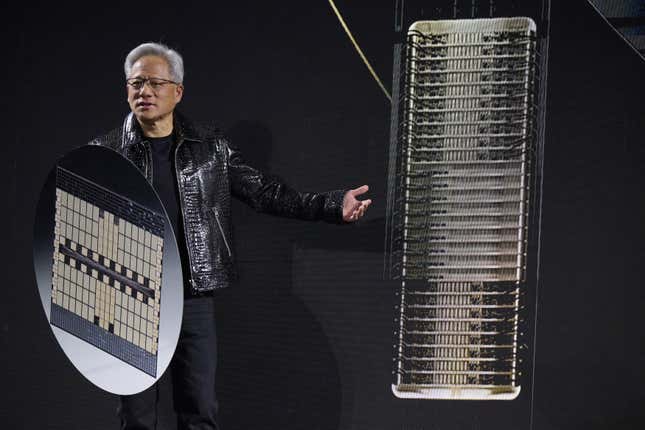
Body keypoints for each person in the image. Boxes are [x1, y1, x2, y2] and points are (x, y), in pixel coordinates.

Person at [91, 42, 371, 430]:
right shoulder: (104, 153)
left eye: (156, 82)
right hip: (132, 300)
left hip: (193, 298)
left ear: (178, 91)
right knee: (136, 418)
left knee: (201, 412)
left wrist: (330, 204)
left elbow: (267, 193)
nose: (145, 92)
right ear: (126, 89)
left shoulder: (210, 149)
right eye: (136, 83)